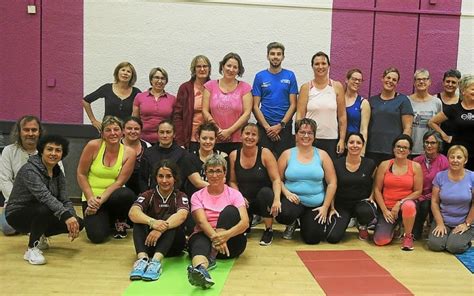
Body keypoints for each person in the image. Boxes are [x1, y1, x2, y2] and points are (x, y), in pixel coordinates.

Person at [5, 135, 83, 265]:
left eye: (58, 150)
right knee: (45, 208)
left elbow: (64, 199)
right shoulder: (29, 170)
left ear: (63, 153)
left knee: (79, 223)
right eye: (49, 149)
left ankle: (40, 235)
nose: (53, 153)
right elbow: (44, 196)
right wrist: (66, 216)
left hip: (41, 211)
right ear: (42, 150)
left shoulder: (58, 172)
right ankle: (31, 249)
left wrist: (72, 218)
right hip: (17, 214)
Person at [187, 154, 248, 289]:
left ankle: (212, 255)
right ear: (206, 174)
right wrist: (216, 239)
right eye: (211, 171)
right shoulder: (197, 196)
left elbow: (245, 223)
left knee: (230, 211)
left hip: (230, 244)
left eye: (218, 171)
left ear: (224, 173)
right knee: (198, 243)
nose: (214, 175)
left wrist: (225, 236)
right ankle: (201, 271)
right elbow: (202, 222)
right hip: (208, 236)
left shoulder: (235, 194)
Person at [276, 118, 337, 244]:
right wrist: (287, 193)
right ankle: (292, 222)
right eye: (302, 132)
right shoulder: (287, 154)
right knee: (285, 214)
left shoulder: (323, 155)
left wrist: (325, 207)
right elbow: (278, 180)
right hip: (292, 202)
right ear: (296, 135)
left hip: (315, 204)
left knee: (313, 239)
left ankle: (304, 222)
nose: (306, 136)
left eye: (310, 133)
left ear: (314, 136)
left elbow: (332, 183)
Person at [77, 116, 136, 243]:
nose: (113, 133)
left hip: (113, 195)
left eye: (116, 129)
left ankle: (119, 220)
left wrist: (99, 201)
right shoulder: (93, 146)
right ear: (102, 134)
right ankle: (106, 220)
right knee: (97, 237)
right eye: (108, 130)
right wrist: (90, 199)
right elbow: (81, 174)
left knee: (126, 194)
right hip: (91, 196)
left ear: (122, 133)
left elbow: (120, 182)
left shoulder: (129, 153)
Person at [128, 160, 189, 281]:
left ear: (175, 178)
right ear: (156, 178)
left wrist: (160, 229)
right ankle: (142, 259)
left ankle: (156, 262)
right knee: (138, 220)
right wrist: (152, 222)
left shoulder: (180, 196)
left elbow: (182, 215)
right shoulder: (148, 195)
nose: (164, 180)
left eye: (168, 176)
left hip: (173, 246)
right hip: (151, 243)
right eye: (161, 176)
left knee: (170, 219)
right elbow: (133, 213)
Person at [229, 123, 282, 246]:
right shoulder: (233, 155)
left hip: (262, 200)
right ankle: (246, 222)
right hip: (245, 201)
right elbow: (232, 181)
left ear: (258, 139)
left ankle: (268, 230)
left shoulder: (265, 153)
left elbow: (276, 179)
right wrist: (239, 197)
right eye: (247, 133)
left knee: (266, 192)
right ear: (241, 136)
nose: (250, 137)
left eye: (254, 134)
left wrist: (277, 199)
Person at [373, 134, 422, 251]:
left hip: (406, 206)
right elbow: (377, 190)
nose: (401, 149)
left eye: (405, 147)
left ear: (410, 151)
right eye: (398, 146)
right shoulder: (384, 165)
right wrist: (384, 210)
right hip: (388, 209)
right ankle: (394, 227)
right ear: (393, 148)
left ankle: (408, 236)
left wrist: (400, 203)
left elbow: (418, 191)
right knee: (380, 240)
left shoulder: (415, 166)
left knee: (408, 205)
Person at [326, 132, 377, 243]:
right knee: (332, 238)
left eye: (358, 143)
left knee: (367, 211)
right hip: (341, 205)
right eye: (351, 142)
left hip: (361, 203)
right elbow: (331, 186)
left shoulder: (370, 163)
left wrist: (372, 196)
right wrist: (332, 207)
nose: (354, 145)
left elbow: (377, 182)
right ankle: (345, 221)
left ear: (363, 145)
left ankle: (362, 225)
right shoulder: (336, 164)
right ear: (345, 145)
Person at [296, 51, 347, 160]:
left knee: (329, 173)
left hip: (331, 139)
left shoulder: (337, 86)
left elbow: (342, 116)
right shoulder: (306, 87)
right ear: (312, 66)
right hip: (309, 139)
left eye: (323, 63)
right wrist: (298, 138)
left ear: (329, 66)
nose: (320, 67)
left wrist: (342, 139)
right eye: (317, 64)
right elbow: (300, 114)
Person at [252, 42, 298, 157]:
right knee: (263, 161)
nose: (275, 56)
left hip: (284, 127)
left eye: (279, 54)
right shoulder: (260, 76)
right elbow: (255, 106)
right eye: (272, 54)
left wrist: (280, 126)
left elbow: (293, 105)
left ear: (283, 56)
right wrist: (268, 128)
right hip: (264, 127)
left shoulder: (290, 76)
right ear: (267, 56)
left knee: (284, 161)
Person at [202, 52, 253, 154]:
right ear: (222, 66)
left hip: (238, 140)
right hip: (214, 139)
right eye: (228, 66)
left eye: (235, 67)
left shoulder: (245, 87)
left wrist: (229, 131)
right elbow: (205, 111)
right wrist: (218, 131)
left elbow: (247, 113)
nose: (231, 69)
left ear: (239, 70)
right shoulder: (210, 86)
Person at [1, 115, 43, 235]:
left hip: (41, 202)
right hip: (15, 202)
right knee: (7, 228)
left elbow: (58, 179)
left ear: (39, 132)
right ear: (19, 132)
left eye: (34, 130)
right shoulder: (8, 151)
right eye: (26, 130)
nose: (30, 133)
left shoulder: (49, 150)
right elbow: (4, 180)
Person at [139, 120, 206, 195]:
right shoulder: (148, 153)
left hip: (176, 197)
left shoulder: (183, 154)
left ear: (174, 134)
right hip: (153, 195)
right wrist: (146, 196)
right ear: (157, 134)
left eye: (168, 132)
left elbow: (189, 182)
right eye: (161, 132)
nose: (165, 135)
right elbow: (142, 179)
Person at [428, 145, 473, 254]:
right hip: (444, 220)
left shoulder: (472, 177)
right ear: (448, 159)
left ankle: (462, 238)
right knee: (435, 245)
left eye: (459, 157)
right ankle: (449, 235)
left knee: (454, 247)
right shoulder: (440, 176)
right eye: (452, 157)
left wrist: (466, 224)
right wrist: (439, 223)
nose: (455, 160)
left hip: (464, 222)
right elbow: (434, 202)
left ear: (465, 160)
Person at [367, 67, 414, 166]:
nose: (390, 81)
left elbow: (408, 128)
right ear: (382, 78)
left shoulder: (403, 100)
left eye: (394, 80)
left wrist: (402, 148)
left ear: (397, 83)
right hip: (372, 149)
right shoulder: (372, 101)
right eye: (388, 78)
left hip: (393, 150)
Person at [429, 74, 474, 170]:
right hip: (457, 155)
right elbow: (432, 122)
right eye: (473, 89)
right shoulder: (454, 109)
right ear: (463, 91)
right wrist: (444, 136)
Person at [412, 131, 448, 240]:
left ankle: (432, 230)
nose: (429, 145)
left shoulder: (444, 161)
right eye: (426, 142)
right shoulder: (416, 160)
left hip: (436, 196)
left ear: (439, 144)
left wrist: (424, 197)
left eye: (433, 143)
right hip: (417, 195)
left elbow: (444, 186)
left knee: (425, 205)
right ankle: (414, 233)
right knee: (418, 205)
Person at [83, 62, 140, 129]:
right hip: (107, 130)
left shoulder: (136, 92)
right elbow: (85, 101)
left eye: (128, 71)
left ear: (132, 76)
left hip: (125, 132)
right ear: (117, 72)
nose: (125, 73)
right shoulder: (107, 88)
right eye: (123, 70)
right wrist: (93, 121)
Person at [174, 55, 212, 151]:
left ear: (209, 69)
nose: (202, 69)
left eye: (205, 66)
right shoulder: (185, 88)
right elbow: (177, 115)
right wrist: (180, 140)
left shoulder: (215, 87)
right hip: (190, 138)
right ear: (194, 69)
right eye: (198, 66)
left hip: (210, 138)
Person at [132, 67, 176, 144]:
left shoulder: (172, 99)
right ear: (151, 80)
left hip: (164, 141)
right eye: (156, 77)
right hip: (143, 140)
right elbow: (135, 120)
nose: (160, 81)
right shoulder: (139, 97)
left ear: (166, 81)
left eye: (163, 78)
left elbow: (174, 122)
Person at [408, 69, 442, 156]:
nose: (421, 81)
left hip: (429, 150)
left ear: (429, 82)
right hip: (410, 149)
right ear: (414, 83)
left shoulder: (437, 102)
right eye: (418, 79)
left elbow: (438, 127)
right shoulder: (407, 101)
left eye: (425, 79)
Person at [121, 117, 151, 195]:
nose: (133, 131)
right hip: (121, 190)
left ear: (141, 131)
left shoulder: (147, 146)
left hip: (143, 189)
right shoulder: (116, 146)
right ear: (123, 130)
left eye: (136, 129)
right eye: (129, 128)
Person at [344, 69, 370, 156]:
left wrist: (362, 152)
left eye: (360, 80)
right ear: (347, 80)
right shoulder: (337, 100)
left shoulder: (363, 102)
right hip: (337, 143)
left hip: (353, 146)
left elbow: (364, 129)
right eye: (354, 79)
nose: (357, 82)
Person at [436, 69, 461, 154]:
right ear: (443, 82)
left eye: (453, 82)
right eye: (448, 81)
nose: (450, 84)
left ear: (458, 84)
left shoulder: (462, 101)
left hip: (457, 143)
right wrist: (444, 135)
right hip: (438, 142)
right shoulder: (435, 99)